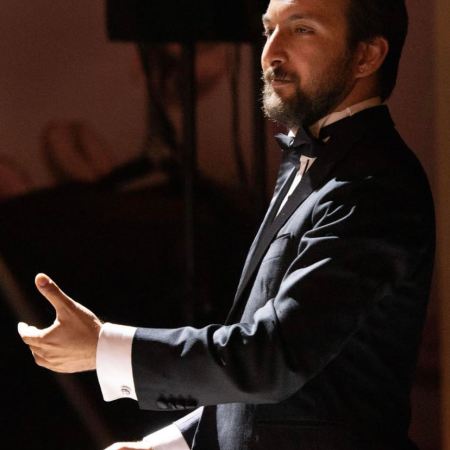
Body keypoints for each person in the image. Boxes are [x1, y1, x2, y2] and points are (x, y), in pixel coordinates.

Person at [18, 0, 435, 449]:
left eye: (302, 30)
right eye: (269, 30)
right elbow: (304, 385)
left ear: (367, 55)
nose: (271, 53)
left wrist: (105, 347)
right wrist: (167, 445)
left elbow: (275, 356)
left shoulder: (373, 184)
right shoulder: (316, 164)